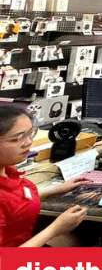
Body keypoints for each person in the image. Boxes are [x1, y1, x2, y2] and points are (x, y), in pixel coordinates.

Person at [0, 106, 89, 247]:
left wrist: (57, 189)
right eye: (17, 138)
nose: (28, 142)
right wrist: (55, 229)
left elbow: (12, 202)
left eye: (30, 133)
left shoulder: (7, 170)